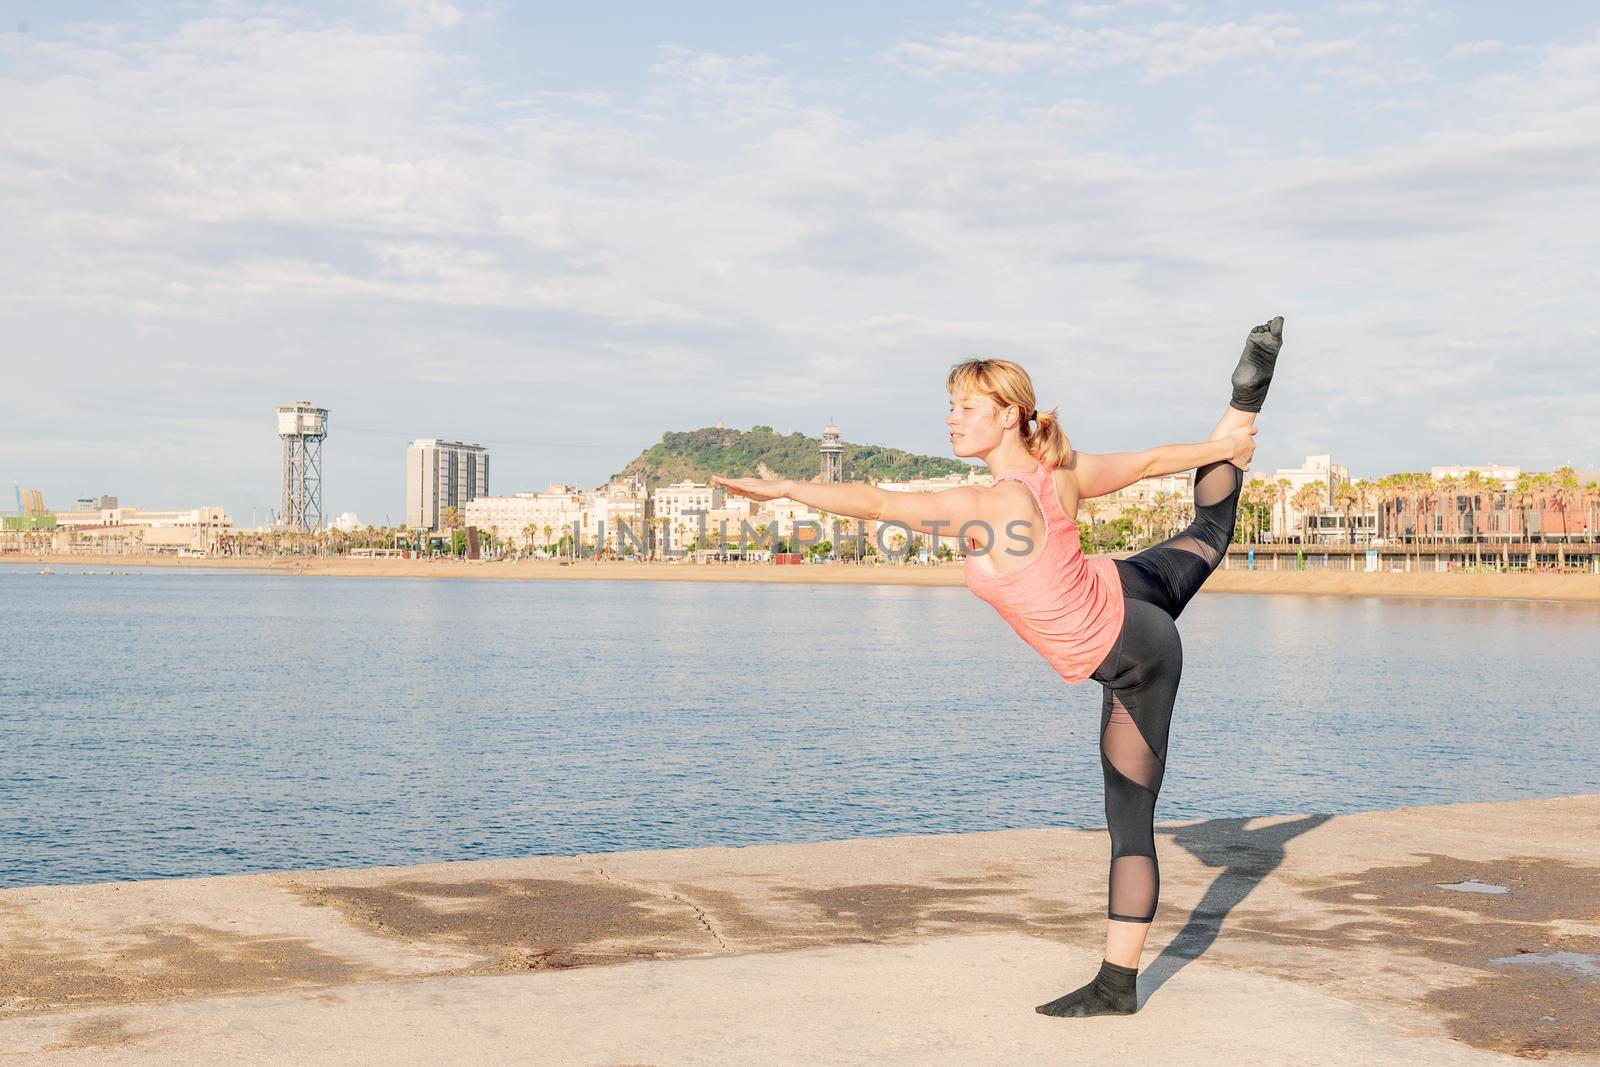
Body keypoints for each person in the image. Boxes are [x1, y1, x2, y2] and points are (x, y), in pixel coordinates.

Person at [713, 317, 1283, 1018]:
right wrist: (1224, 443)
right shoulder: (1057, 473)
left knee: (1130, 819)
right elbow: (1144, 462)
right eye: (950, 406)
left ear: (1009, 414)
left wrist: (790, 491)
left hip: (1136, 652)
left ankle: (1116, 986)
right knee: (1208, 532)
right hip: (1122, 591)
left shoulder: (989, 508)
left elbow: (880, 503)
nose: (952, 419)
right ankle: (1246, 397)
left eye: (968, 407)